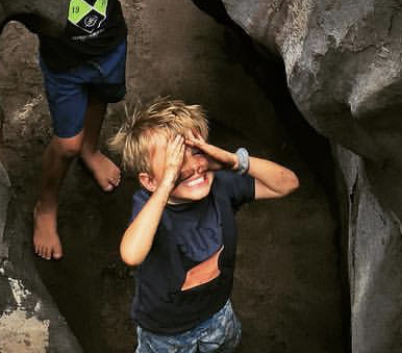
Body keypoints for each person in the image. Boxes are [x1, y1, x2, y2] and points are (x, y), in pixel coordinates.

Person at [34, 0, 196, 261]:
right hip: (65, 61)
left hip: (109, 49)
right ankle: (46, 205)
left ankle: (92, 150)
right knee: (65, 144)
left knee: (100, 101)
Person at [110, 98, 299, 353]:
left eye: (196, 150)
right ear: (149, 181)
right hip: (165, 331)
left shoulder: (221, 184)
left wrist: (234, 161)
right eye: (174, 160)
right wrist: (166, 185)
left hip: (218, 312)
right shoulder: (149, 205)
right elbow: (132, 254)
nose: (190, 166)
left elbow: (287, 183)